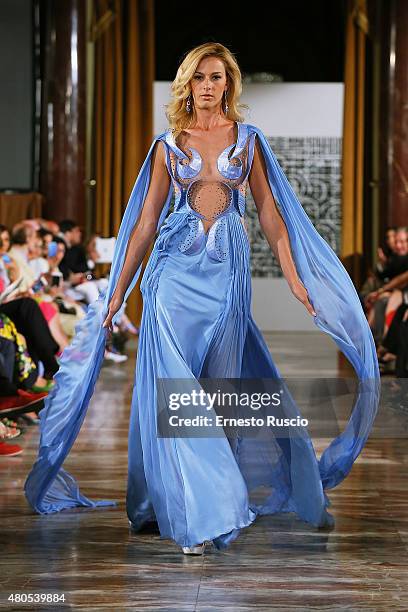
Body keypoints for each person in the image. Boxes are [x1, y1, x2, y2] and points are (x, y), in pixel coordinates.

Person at [25, 43, 380, 555]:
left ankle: (208, 499)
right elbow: (146, 223)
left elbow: (269, 214)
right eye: (200, 77)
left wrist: (295, 277)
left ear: (229, 84)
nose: (209, 85)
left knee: (218, 390)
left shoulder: (249, 140)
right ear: (187, 85)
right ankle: (198, 514)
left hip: (227, 276)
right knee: (175, 388)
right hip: (172, 274)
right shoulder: (168, 144)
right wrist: (117, 292)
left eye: (217, 77)